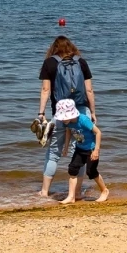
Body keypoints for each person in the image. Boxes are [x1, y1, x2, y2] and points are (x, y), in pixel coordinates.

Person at [35, 36, 97, 198]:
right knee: (81, 151)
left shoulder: (49, 63)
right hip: (81, 111)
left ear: (54, 48)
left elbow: (45, 90)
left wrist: (41, 113)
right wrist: (93, 112)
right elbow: (89, 90)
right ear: (71, 47)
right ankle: (76, 192)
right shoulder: (81, 62)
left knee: (53, 152)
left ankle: (44, 191)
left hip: (61, 112)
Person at [54, 98, 109, 203]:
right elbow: (68, 132)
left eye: (64, 117)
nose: (62, 120)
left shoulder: (83, 120)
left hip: (91, 149)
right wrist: (66, 147)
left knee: (91, 172)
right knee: (72, 169)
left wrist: (96, 150)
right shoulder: (68, 122)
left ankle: (104, 191)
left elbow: (98, 132)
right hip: (79, 149)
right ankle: (71, 196)